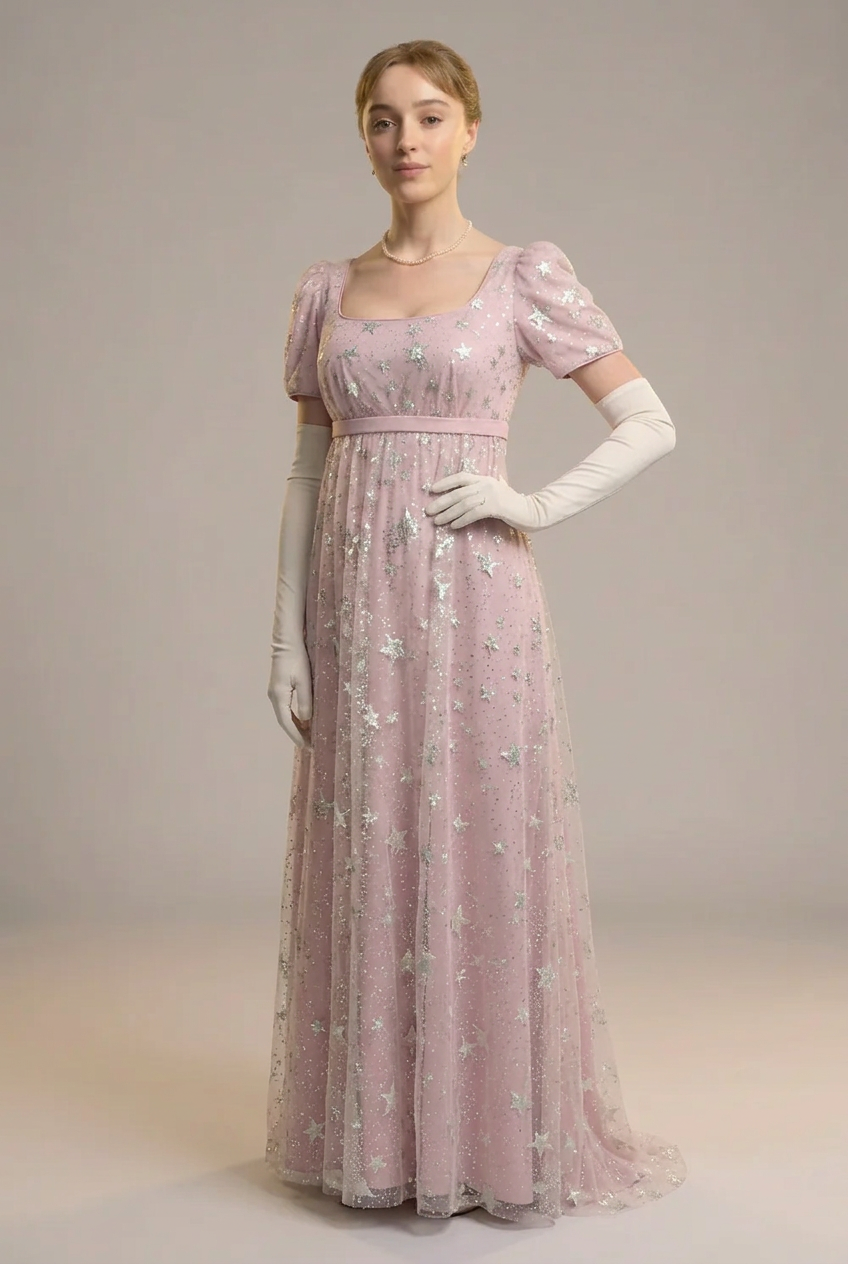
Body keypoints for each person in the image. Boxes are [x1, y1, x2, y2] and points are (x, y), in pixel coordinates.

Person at [265, 39, 686, 1227]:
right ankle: (384, 1140)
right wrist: (287, 638)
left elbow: (648, 420)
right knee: (373, 847)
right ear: (362, 135)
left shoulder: (520, 276)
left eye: (429, 115)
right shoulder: (325, 290)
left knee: (481, 850)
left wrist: (531, 503)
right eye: (382, 118)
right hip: (356, 610)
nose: (405, 140)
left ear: (469, 131)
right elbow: (305, 474)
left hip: (479, 608)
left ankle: (488, 1145)